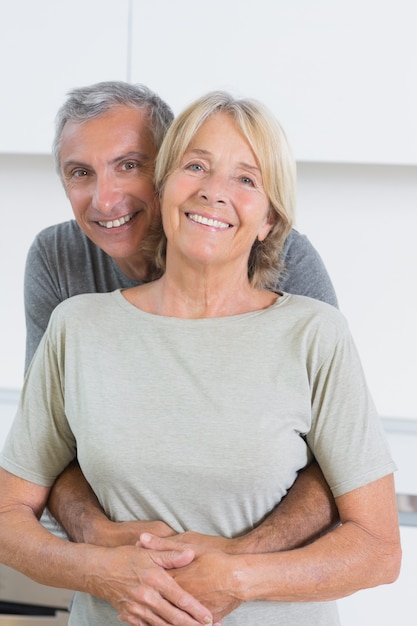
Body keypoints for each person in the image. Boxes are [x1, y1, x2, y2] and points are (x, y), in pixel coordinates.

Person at [0, 91, 400, 626]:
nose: (214, 191)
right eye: (196, 166)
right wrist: (101, 566)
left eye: (247, 179)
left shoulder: (313, 329)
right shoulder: (76, 321)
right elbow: (16, 503)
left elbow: (377, 544)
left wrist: (236, 573)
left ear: (270, 221)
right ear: (167, 187)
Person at [25, 84, 339, 556]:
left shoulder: (285, 262)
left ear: (170, 167)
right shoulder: (59, 262)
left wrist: (236, 561)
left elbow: (337, 459)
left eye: (130, 165)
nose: (105, 200)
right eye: (80, 173)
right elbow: (50, 444)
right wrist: (97, 535)